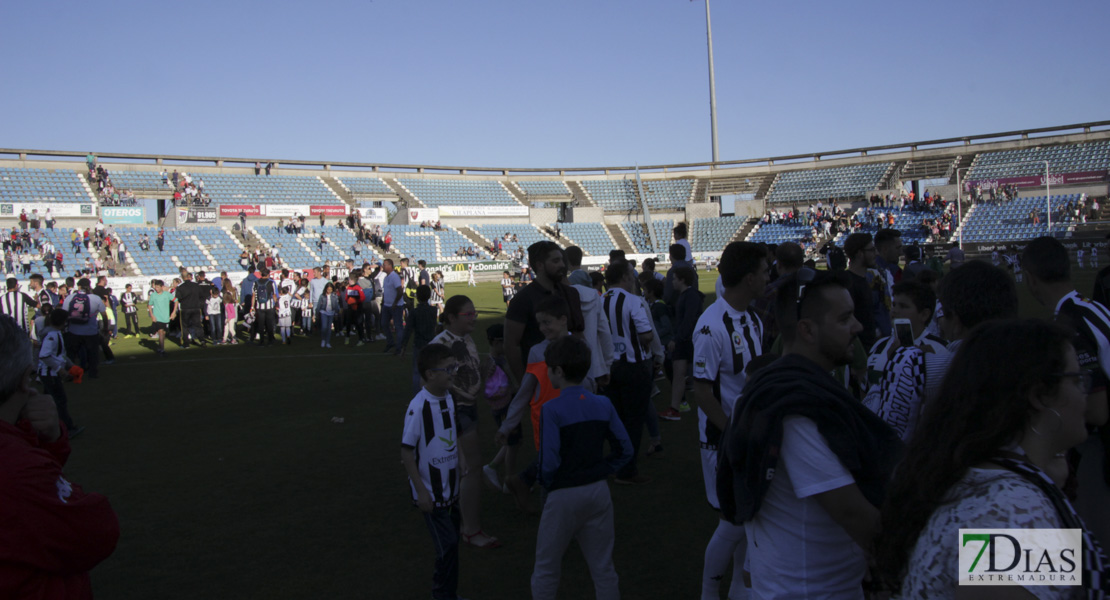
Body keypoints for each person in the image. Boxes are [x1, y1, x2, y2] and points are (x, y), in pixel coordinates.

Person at [875, 319, 1108, 598]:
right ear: (1039, 396)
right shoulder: (1012, 512)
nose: (1085, 393)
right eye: (1077, 379)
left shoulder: (988, 480)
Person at [717, 268, 903, 600]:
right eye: (845, 319)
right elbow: (852, 513)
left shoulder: (781, 389)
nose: (858, 327)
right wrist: (927, 561)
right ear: (807, 330)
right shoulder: (795, 412)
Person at [0, 314, 119, 596]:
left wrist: (48, 440)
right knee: (60, 404)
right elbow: (94, 532)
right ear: (22, 379)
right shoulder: (18, 470)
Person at [688, 241, 768, 600]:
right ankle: (708, 592)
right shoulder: (710, 326)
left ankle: (739, 589)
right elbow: (702, 392)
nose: (770, 276)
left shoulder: (752, 318)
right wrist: (732, 430)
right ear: (750, 278)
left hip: (749, 433)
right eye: (765, 271)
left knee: (748, 516)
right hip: (722, 436)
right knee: (733, 519)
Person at [531, 336, 632, 600]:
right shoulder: (602, 403)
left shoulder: (551, 408)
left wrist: (547, 481)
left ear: (559, 371)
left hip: (563, 493)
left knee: (546, 567)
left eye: (549, 368)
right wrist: (603, 468)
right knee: (603, 567)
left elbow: (549, 461)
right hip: (598, 491)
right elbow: (625, 449)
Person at [430, 295, 499, 549]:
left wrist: (483, 371)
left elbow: (465, 373)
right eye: (467, 314)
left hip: (467, 407)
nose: (473, 318)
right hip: (454, 411)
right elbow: (432, 383)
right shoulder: (440, 345)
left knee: (464, 466)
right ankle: (470, 529)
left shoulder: (465, 339)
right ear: (450, 317)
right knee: (471, 466)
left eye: (474, 313)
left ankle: (460, 521)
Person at [401, 344, 467, 600]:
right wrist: (421, 491)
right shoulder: (418, 408)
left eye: (455, 366)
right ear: (430, 374)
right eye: (448, 368)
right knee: (447, 546)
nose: (454, 372)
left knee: (452, 545)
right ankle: (441, 595)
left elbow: (452, 431)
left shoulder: (448, 397)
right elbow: (406, 452)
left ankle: (449, 594)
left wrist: (460, 456)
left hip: (452, 488)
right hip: (431, 492)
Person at [602, 259, 655, 485]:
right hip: (633, 366)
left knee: (615, 420)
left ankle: (616, 463)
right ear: (625, 277)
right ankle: (627, 471)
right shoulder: (634, 300)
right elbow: (646, 334)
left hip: (608, 368)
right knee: (634, 420)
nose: (633, 278)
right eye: (631, 275)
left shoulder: (599, 300)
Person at [863, 280, 948, 392]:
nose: (894, 311)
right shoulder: (879, 345)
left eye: (903, 306)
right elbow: (865, 390)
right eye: (894, 305)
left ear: (924, 314)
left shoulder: (941, 350)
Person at [659, 267, 701, 421]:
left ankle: (676, 408)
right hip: (685, 339)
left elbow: (688, 321)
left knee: (681, 374)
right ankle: (676, 407)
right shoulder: (686, 295)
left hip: (686, 340)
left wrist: (676, 339)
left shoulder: (690, 296)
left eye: (675, 278)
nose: (672, 281)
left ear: (683, 280)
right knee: (680, 374)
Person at [36, 308, 82, 437]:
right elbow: (45, 355)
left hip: (49, 373)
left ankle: (45, 428)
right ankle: (67, 429)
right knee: (59, 401)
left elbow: (59, 354)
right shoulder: (52, 335)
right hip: (49, 374)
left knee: (48, 402)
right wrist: (60, 370)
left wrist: (71, 365)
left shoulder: (53, 333)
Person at [397, 285, 439, 393]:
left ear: (417, 297)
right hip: (431, 343)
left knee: (417, 371)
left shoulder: (414, 312)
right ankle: (432, 391)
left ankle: (418, 394)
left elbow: (408, 330)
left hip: (419, 344)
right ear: (429, 295)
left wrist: (403, 347)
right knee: (432, 370)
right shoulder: (433, 310)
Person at [62, 279, 106, 378]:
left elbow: (64, 314)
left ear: (79, 287)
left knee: (71, 354)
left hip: (73, 331)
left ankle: (72, 374)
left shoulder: (70, 297)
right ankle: (92, 373)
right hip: (91, 331)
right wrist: (105, 327)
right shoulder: (95, 298)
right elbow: (104, 314)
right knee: (92, 354)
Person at [381, 259, 404, 353]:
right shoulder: (386, 277)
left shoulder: (394, 277)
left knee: (398, 326)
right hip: (387, 305)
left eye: (384, 265)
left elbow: (400, 291)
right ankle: (390, 342)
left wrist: (395, 302)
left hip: (396, 306)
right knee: (384, 324)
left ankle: (399, 347)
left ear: (390, 265)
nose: (383, 266)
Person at [251, 268, 278, 346]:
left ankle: (261, 341)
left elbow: (253, 295)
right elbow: (274, 295)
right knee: (269, 324)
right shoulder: (271, 282)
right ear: (268, 274)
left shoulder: (255, 282)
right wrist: (276, 304)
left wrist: (252, 306)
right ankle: (270, 340)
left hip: (259, 306)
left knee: (261, 324)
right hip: (269, 306)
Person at [147, 279, 174, 357]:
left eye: (158, 287)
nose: (156, 288)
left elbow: (175, 301)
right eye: (155, 287)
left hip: (165, 317)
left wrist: (173, 312)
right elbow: (149, 305)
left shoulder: (167, 294)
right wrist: (152, 315)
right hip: (157, 318)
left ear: (162, 287)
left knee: (164, 333)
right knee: (161, 332)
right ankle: (162, 350)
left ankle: (160, 347)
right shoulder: (153, 295)